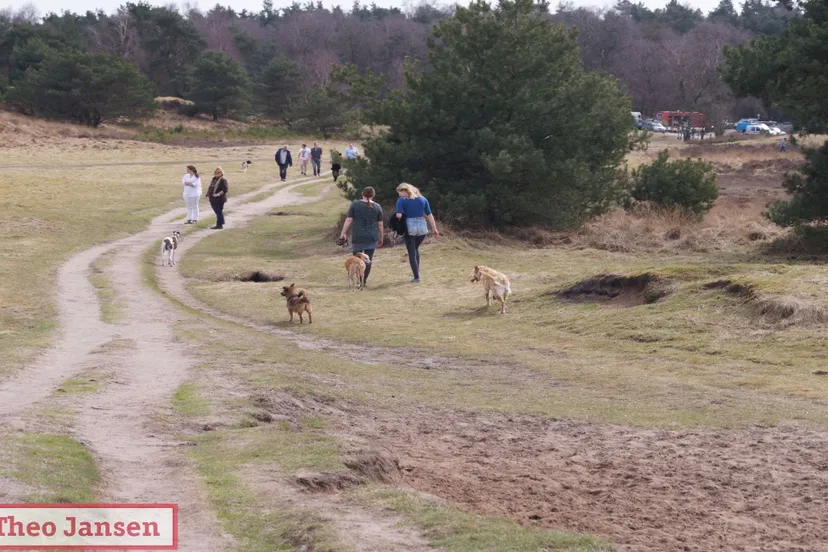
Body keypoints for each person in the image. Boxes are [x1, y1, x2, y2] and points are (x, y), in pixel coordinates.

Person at [339, 187, 383, 287]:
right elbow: (380, 224)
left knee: (356, 260)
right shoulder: (377, 207)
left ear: (362, 194)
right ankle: (363, 281)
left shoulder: (355, 204)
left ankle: (357, 281)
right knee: (368, 260)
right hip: (372, 236)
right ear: (373, 195)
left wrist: (343, 232)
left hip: (358, 236)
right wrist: (381, 237)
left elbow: (349, 219)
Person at [395, 183, 438, 283]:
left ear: (404, 191)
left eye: (399, 192)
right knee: (415, 248)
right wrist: (434, 229)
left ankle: (416, 277)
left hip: (410, 227)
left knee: (411, 253)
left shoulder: (401, 200)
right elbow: (430, 215)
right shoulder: (423, 199)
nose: (399, 195)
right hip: (422, 227)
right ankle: (417, 273)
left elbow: (399, 215)